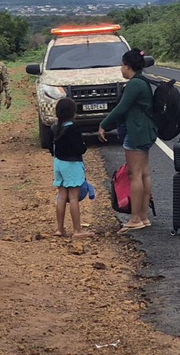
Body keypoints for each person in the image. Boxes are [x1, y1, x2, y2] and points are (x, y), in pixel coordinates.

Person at [98, 48, 156, 233]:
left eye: (122, 65)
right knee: (144, 173)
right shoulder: (143, 82)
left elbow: (121, 109)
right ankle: (144, 216)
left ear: (128, 66)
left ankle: (135, 218)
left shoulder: (133, 85)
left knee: (135, 175)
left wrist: (104, 124)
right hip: (146, 132)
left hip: (136, 132)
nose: (121, 69)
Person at [50, 97, 93, 239]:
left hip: (58, 163)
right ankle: (77, 230)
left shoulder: (55, 127)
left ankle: (60, 228)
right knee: (73, 197)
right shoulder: (73, 128)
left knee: (61, 196)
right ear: (72, 112)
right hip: (72, 163)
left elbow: (51, 147)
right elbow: (79, 148)